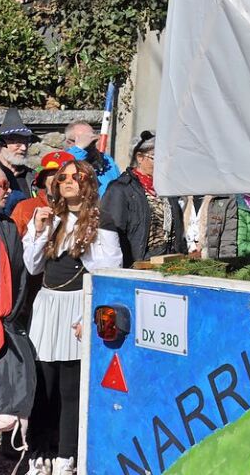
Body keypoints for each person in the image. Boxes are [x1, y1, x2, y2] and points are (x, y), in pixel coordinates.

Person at [23, 160, 121, 474]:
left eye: (74, 177)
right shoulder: (49, 218)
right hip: (48, 306)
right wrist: (38, 232)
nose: (66, 181)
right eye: (61, 177)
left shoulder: (101, 221)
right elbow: (33, 267)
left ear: (88, 182)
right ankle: (39, 452)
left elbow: (110, 272)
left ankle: (67, 455)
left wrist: (85, 238)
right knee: (42, 384)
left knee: (70, 388)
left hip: (79, 304)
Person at [0, 163, 35, 464]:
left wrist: (11, 314)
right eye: (0, 185)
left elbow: (17, 276)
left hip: (1, 325)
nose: (9, 191)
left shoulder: (5, 225)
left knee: (4, 404)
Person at [100, 132, 183, 268]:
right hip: (137, 266)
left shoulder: (166, 189)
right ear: (139, 157)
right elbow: (112, 233)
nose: (162, 162)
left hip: (168, 265)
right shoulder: (120, 189)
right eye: (156, 157)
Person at [11, 151, 75, 237]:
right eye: (52, 174)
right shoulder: (24, 208)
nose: (56, 180)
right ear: (44, 179)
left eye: (63, 175)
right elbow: (11, 243)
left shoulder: (83, 208)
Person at [0, 110, 38, 215]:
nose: (23, 148)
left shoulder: (33, 177)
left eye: (26, 142)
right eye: (17, 143)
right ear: (2, 144)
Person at [62, 121, 119, 196]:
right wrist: (79, 148)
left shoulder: (106, 160)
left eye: (92, 141)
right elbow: (65, 171)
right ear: (69, 143)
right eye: (85, 140)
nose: (90, 145)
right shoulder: (62, 160)